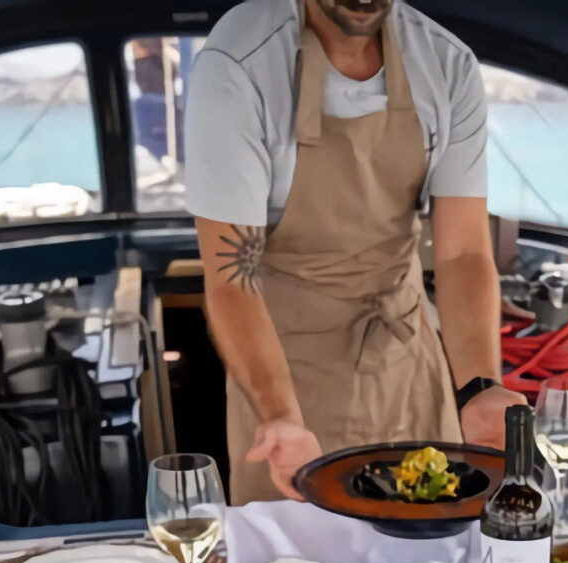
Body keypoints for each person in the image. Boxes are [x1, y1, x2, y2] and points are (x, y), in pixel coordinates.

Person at [185, 0, 526, 503]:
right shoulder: (239, 66)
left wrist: (479, 388)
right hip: (290, 383)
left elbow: (462, 256)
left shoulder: (446, 64)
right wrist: (281, 417)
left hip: (408, 364)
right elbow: (233, 278)